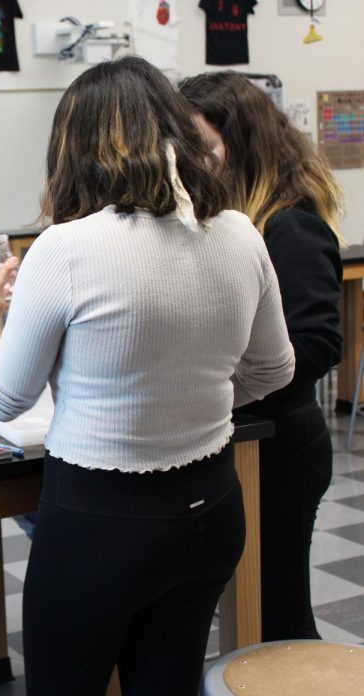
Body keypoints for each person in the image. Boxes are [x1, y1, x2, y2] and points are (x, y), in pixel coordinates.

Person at [0, 56, 295, 695]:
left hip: (99, 527)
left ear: (73, 150)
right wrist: (191, 402)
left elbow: (4, 399)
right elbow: (275, 369)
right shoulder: (238, 234)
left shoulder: (64, 248)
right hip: (209, 509)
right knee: (167, 682)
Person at [180, 71, 344, 641]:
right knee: (240, 601)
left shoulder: (289, 225)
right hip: (241, 433)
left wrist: (233, 384)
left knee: (277, 610)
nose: (192, 164)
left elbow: (319, 342)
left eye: (204, 148)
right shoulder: (226, 224)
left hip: (282, 445)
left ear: (242, 143)